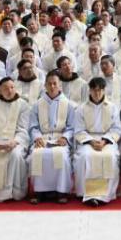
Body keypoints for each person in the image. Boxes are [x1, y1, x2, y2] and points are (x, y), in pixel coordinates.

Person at [72, 76, 121, 206]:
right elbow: (78, 130)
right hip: (88, 140)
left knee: (109, 156)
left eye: (100, 90)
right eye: (94, 90)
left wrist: (105, 141)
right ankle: (87, 194)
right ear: (89, 91)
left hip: (107, 140)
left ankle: (105, 194)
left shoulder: (112, 107)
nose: (97, 93)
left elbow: (117, 129)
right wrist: (91, 142)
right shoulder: (81, 108)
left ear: (104, 91)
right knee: (85, 156)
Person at [28, 71, 75, 204]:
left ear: (60, 85)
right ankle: (39, 191)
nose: (52, 86)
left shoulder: (69, 105)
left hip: (60, 138)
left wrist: (65, 138)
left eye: (55, 83)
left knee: (61, 155)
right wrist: (37, 137)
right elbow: (33, 126)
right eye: (49, 84)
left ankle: (61, 191)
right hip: (42, 138)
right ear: (45, 85)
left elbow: (72, 127)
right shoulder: (37, 105)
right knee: (37, 155)